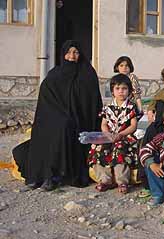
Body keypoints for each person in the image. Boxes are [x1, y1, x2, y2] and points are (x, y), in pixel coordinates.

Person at [12, 40, 103, 191]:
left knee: (62, 127)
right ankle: (38, 176)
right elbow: (46, 96)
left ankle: (53, 177)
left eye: (75, 52)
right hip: (56, 114)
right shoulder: (55, 73)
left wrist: (71, 113)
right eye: (69, 52)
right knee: (45, 128)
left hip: (79, 119)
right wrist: (57, 113)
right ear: (63, 54)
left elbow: (91, 102)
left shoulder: (87, 72)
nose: (72, 56)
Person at [87, 74, 139, 194]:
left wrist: (121, 134)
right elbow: (104, 123)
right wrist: (107, 134)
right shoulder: (108, 107)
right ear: (112, 91)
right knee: (98, 148)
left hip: (125, 136)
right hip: (109, 136)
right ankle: (105, 180)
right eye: (117, 88)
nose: (121, 91)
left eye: (124, 89)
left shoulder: (131, 107)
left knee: (119, 150)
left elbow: (133, 126)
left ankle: (122, 181)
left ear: (129, 91)